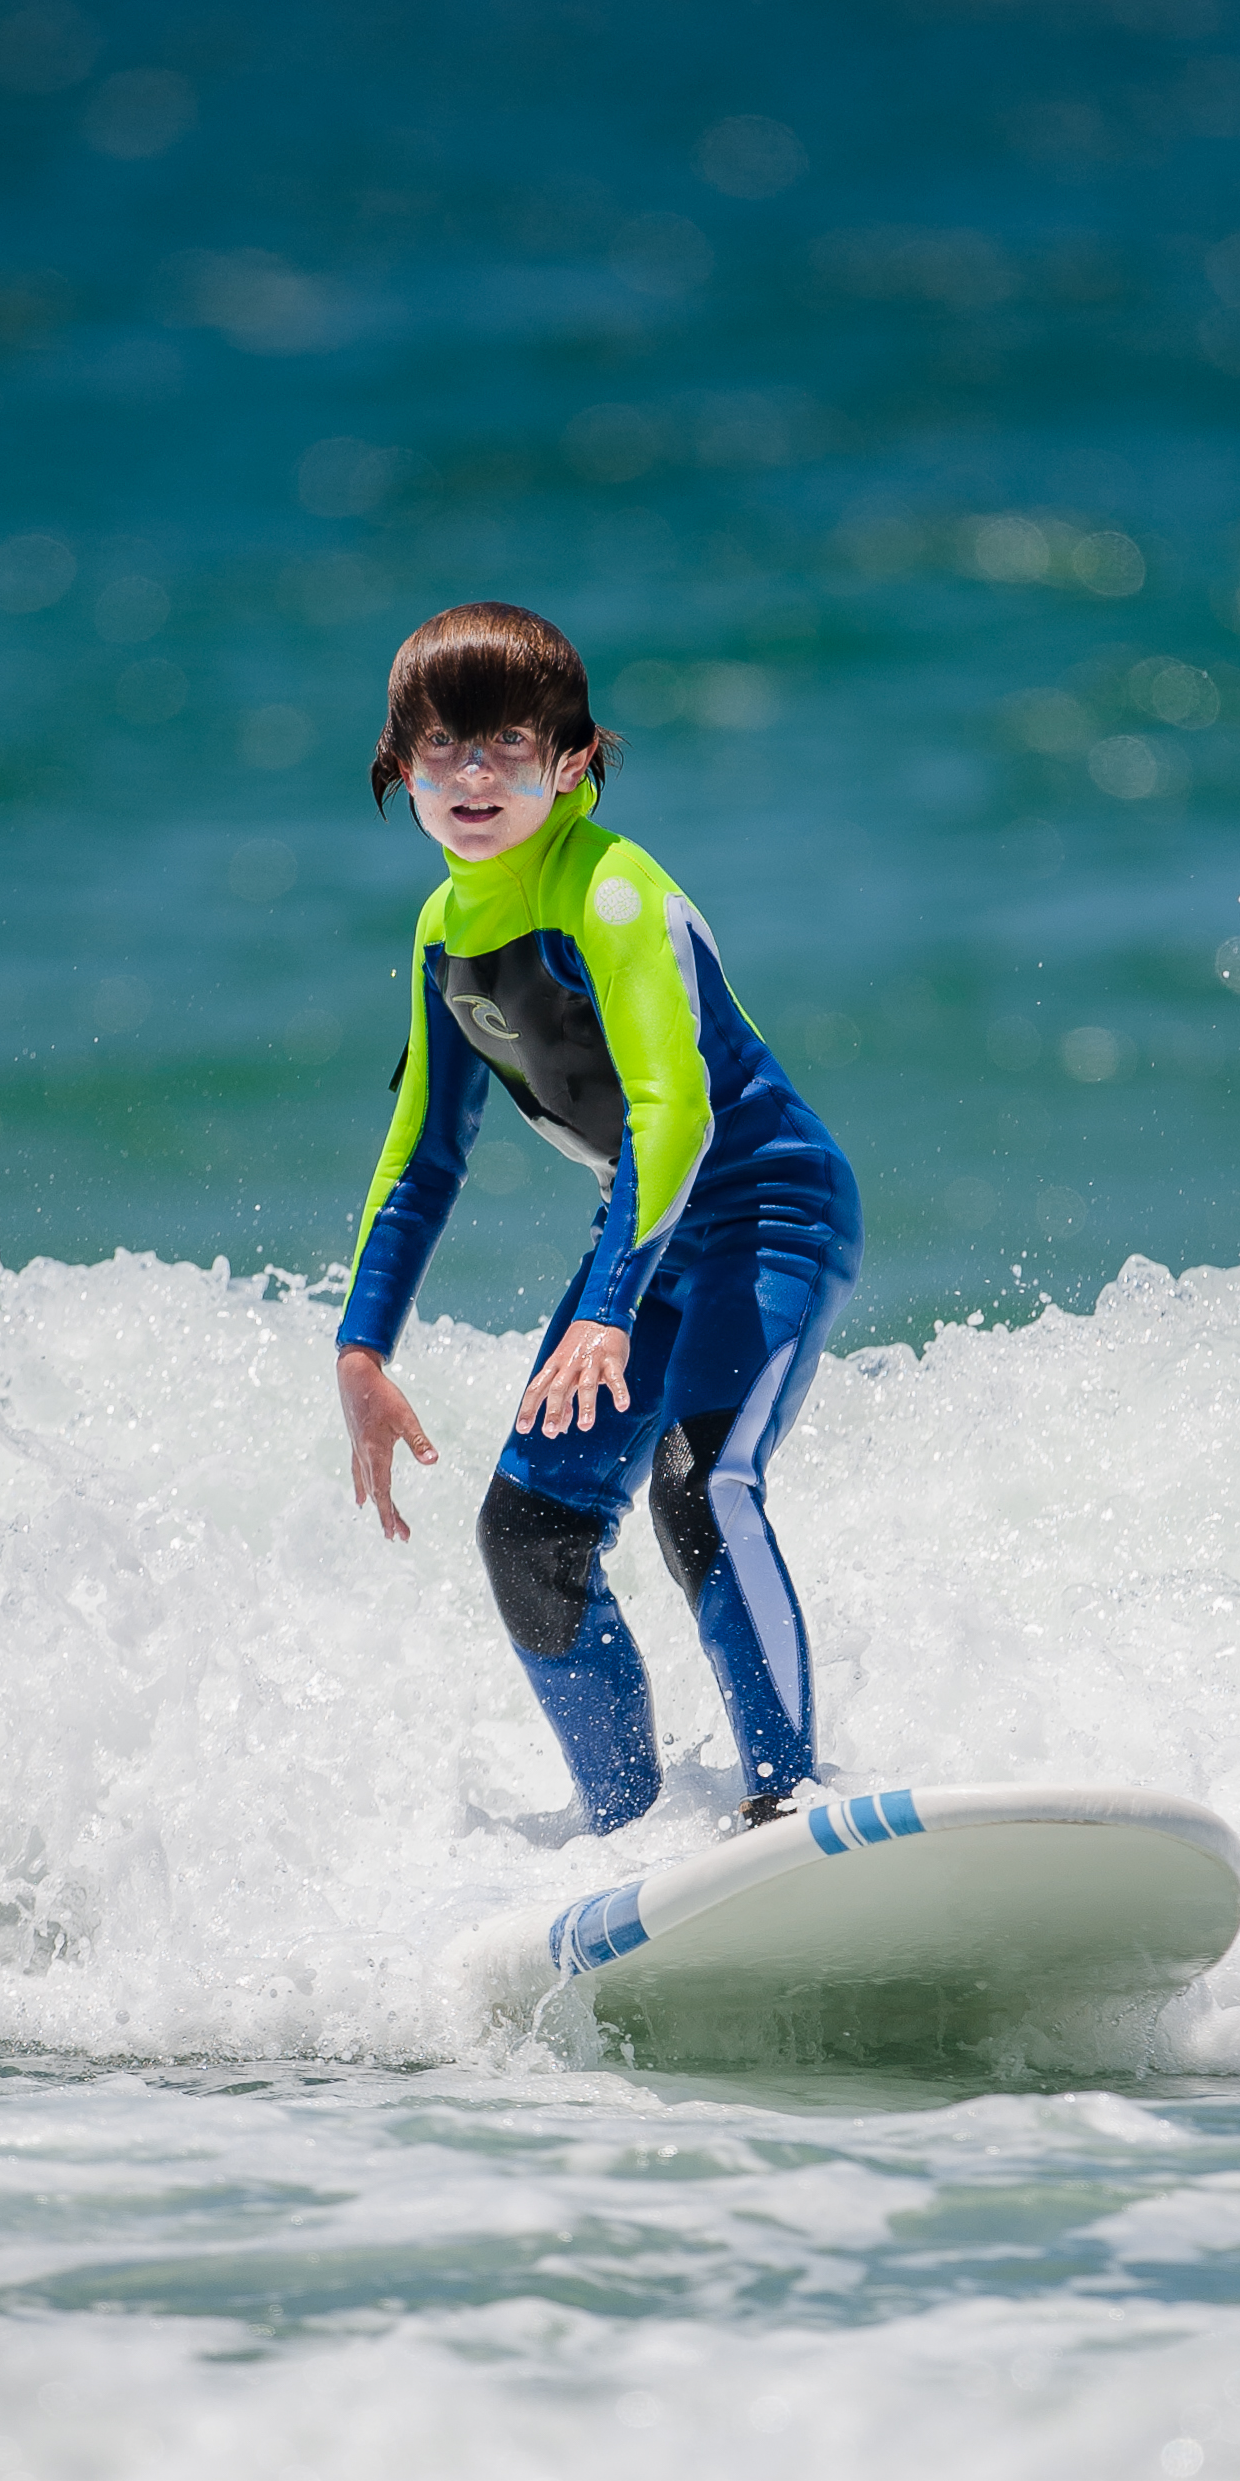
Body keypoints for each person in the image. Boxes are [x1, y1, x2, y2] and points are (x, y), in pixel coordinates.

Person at [335, 601, 862, 1842]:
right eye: (442, 744)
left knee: (700, 1483)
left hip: (768, 1209)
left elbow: (673, 1110)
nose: (472, 775)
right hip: (650, 1238)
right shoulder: (442, 932)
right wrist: (362, 1348)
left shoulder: (612, 891)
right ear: (400, 763)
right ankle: (627, 1834)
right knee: (529, 1532)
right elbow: (423, 1154)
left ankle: (789, 1801)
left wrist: (611, 1308)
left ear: (570, 761)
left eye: (507, 745)